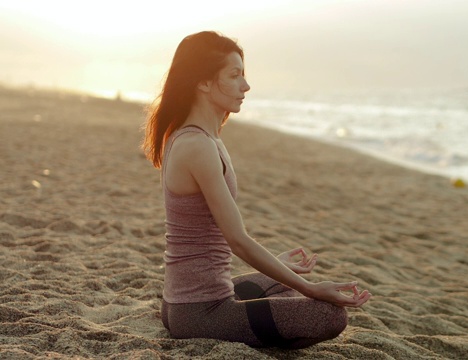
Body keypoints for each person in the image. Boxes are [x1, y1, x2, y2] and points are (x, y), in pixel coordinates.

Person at [141, 31, 370, 349]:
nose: (245, 86)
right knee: (329, 315)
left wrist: (280, 267)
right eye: (234, 76)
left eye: (243, 75)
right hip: (200, 312)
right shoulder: (196, 145)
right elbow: (238, 241)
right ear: (203, 82)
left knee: (285, 286)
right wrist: (313, 288)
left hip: (187, 300)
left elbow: (213, 240)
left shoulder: (198, 136)